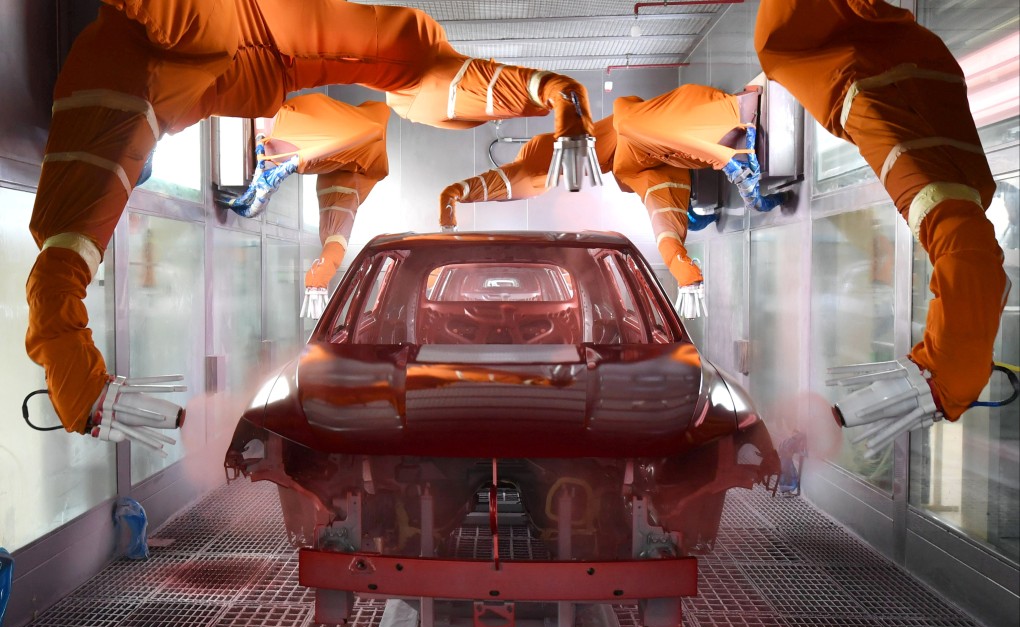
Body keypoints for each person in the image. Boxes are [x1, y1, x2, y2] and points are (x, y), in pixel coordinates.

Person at [26, 0, 598, 446]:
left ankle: (275, 165)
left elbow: (60, 267)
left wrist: (552, 93)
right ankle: (275, 165)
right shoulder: (119, 98)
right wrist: (550, 92)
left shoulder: (115, 96)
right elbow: (426, 69)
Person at [755, 0, 1011, 452]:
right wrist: (951, 366)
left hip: (895, 75)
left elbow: (971, 245)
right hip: (883, 73)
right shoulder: (847, 77)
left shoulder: (937, 175)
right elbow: (966, 241)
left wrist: (954, 365)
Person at [439, 84, 789, 318]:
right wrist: (684, 271)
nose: (565, 173)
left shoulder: (626, 124)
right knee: (633, 138)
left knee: (628, 121)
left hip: (704, 121)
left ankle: (731, 157)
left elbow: (531, 167)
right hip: (682, 148)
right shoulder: (633, 170)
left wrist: (456, 194)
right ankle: (727, 162)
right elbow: (664, 226)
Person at [222, 93, 391, 319]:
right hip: (285, 138)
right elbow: (336, 239)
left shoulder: (367, 142)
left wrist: (318, 278)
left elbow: (336, 239)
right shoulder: (367, 155)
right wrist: (318, 278)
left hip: (284, 129)